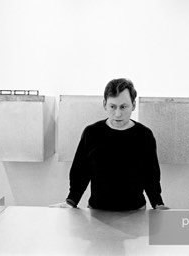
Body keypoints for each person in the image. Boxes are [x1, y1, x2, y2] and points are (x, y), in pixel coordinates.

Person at [51, 78, 167, 211]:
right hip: (98, 212)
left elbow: (151, 175)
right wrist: (71, 201)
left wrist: (158, 204)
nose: (118, 114)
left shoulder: (144, 135)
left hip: (135, 212)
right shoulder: (92, 133)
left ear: (133, 105)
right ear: (105, 104)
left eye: (123, 107)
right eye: (113, 107)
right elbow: (80, 172)